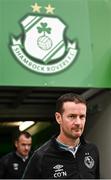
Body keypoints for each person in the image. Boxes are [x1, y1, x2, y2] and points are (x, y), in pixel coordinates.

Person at [23, 93, 100, 179]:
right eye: (72, 116)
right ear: (58, 118)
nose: (78, 122)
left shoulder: (92, 150)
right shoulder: (41, 156)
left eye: (82, 116)